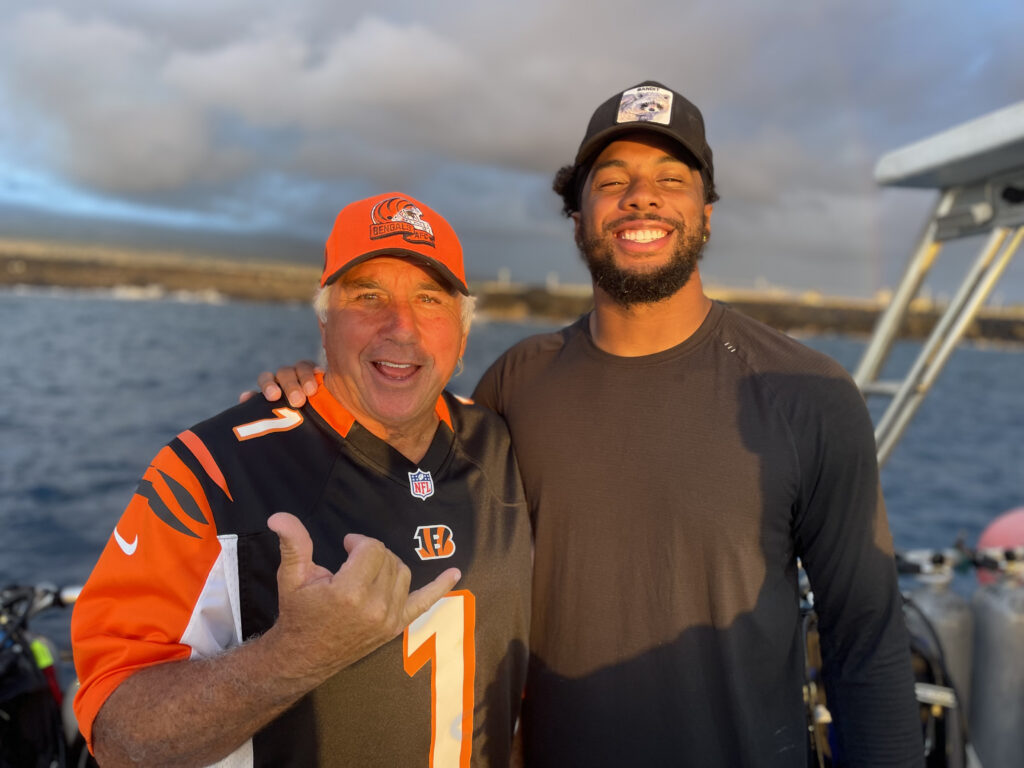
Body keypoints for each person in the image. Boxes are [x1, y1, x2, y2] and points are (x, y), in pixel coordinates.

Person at [261, 82, 925, 767]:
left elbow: (865, 640)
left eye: (671, 178)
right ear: (577, 218)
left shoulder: (807, 394)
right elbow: (398, 458)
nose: (642, 196)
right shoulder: (516, 384)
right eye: (613, 182)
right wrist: (317, 387)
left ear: (707, 214)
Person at [71, 192, 532, 767]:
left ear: (462, 338)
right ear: (324, 322)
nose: (401, 326)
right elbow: (118, 732)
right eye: (368, 296)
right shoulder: (213, 471)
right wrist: (292, 656)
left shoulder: (510, 451)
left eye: (429, 299)